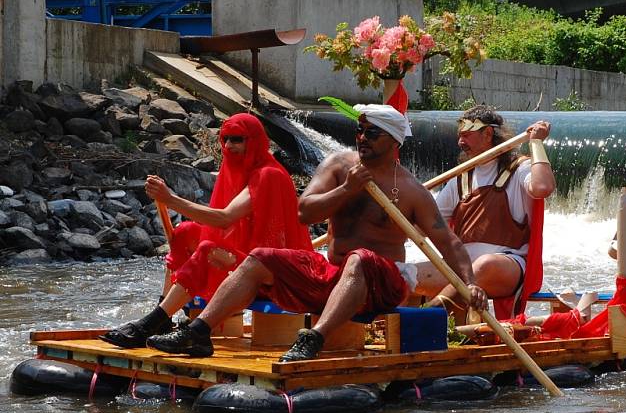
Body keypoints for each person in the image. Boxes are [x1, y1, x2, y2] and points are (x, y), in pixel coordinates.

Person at [146, 104, 488, 360]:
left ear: (393, 141)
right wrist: (346, 190)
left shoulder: (412, 190)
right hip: (333, 276)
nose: (362, 138)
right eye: (360, 131)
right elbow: (303, 213)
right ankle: (198, 332)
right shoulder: (340, 166)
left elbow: (449, 242)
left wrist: (470, 282)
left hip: (382, 283)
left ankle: (314, 338)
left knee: (360, 259)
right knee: (259, 259)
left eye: (372, 133)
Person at [100, 112, 312, 353]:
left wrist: (170, 199)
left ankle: (150, 323)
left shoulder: (268, 174)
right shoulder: (239, 171)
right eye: (226, 139)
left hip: (273, 274)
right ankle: (164, 316)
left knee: (209, 250)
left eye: (238, 140)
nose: (229, 146)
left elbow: (224, 219)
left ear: (254, 141)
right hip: (250, 260)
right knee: (184, 231)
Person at [414, 105, 555, 321]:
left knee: (485, 265)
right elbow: (423, 227)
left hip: (507, 266)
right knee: (404, 274)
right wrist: (400, 208)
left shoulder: (519, 169)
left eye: (467, 135)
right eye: (459, 136)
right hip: (463, 270)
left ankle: (429, 317)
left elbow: (542, 187)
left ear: (488, 134)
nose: (461, 142)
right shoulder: (459, 179)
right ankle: (393, 328)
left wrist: (535, 143)